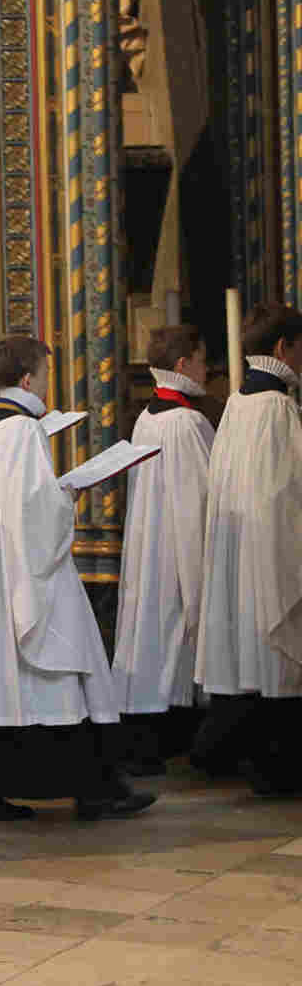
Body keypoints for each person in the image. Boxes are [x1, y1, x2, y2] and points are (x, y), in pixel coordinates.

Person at [0, 335, 154, 824]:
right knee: (71, 668)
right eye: (47, 374)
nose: (49, 383)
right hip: (24, 579)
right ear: (29, 379)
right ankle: (95, 791)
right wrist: (67, 495)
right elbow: (36, 516)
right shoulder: (24, 433)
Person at [191, 301, 302, 794]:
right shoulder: (277, 407)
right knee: (277, 658)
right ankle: (278, 769)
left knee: (255, 658)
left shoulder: (237, 402)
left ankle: (243, 757)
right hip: (270, 548)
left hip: (244, 546)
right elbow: (288, 492)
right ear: (283, 347)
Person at [112, 325, 213, 775]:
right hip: (176, 546)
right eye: (202, 359)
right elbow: (202, 499)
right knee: (174, 632)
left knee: (151, 636)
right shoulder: (186, 423)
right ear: (182, 364)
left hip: (149, 542)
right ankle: (171, 739)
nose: (207, 369)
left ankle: (146, 740)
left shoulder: (147, 417)